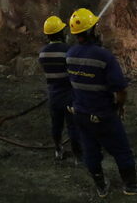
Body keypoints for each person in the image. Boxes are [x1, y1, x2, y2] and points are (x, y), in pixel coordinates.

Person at [66, 8, 137, 197]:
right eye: (95, 26)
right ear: (91, 31)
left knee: (90, 150)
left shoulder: (70, 54)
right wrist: (119, 106)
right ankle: (130, 185)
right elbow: (120, 89)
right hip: (102, 114)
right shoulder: (103, 56)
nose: (98, 29)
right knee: (121, 149)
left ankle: (101, 186)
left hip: (80, 114)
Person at [38, 16, 82, 164]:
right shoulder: (68, 50)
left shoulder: (42, 53)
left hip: (53, 95)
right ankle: (78, 156)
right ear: (60, 33)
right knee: (72, 126)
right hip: (69, 95)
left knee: (56, 125)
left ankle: (58, 150)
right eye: (63, 30)